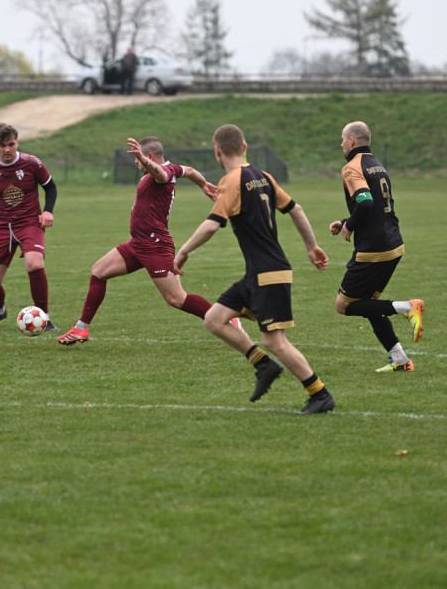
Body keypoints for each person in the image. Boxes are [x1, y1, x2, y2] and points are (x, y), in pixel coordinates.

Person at [174, 124, 335, 415]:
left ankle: (320, 393)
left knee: (275, 341)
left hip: (268, 273)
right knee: (214, 318)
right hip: (259, 273)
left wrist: (183, 251)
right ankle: (263, 365)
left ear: (217, 151)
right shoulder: (265, 176)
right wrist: (312, 247)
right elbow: (295, 209)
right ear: (245, 147)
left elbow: (213, 223)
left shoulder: (230, 181)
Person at [57, 136, 241, 345]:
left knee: (176, 299)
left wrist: (143, 160)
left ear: (150, 157)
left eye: (139, 161)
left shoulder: (162, 173)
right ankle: (81, 328)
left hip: (155, 245)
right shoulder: (173, 168)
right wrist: (203, 185)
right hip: (137, 243)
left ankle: (227, 319)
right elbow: (189, 170)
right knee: (98, 271)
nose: (137, 164)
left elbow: (161, 174)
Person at [330, 121, 425, 373]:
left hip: (374, 249)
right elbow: (374, 206)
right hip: (393, 243)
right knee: (369, 304)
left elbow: (364, 204)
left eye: (342, 139)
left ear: (351, 141)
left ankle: (408, 307)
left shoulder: (351, 167)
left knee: (345, 305)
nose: (341, 143)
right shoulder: (377, 165)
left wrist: (350, 223)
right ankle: (401, 360)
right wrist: (345, 222)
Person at [0, 122, 59, 331]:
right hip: (1, 226)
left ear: (17, 143)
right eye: (2, 145)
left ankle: (44, 317)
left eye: (11, 144)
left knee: (35, 264)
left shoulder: (32, 163)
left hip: (29, 222)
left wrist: (47, 210)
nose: (7, 149)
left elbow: (50, 188)